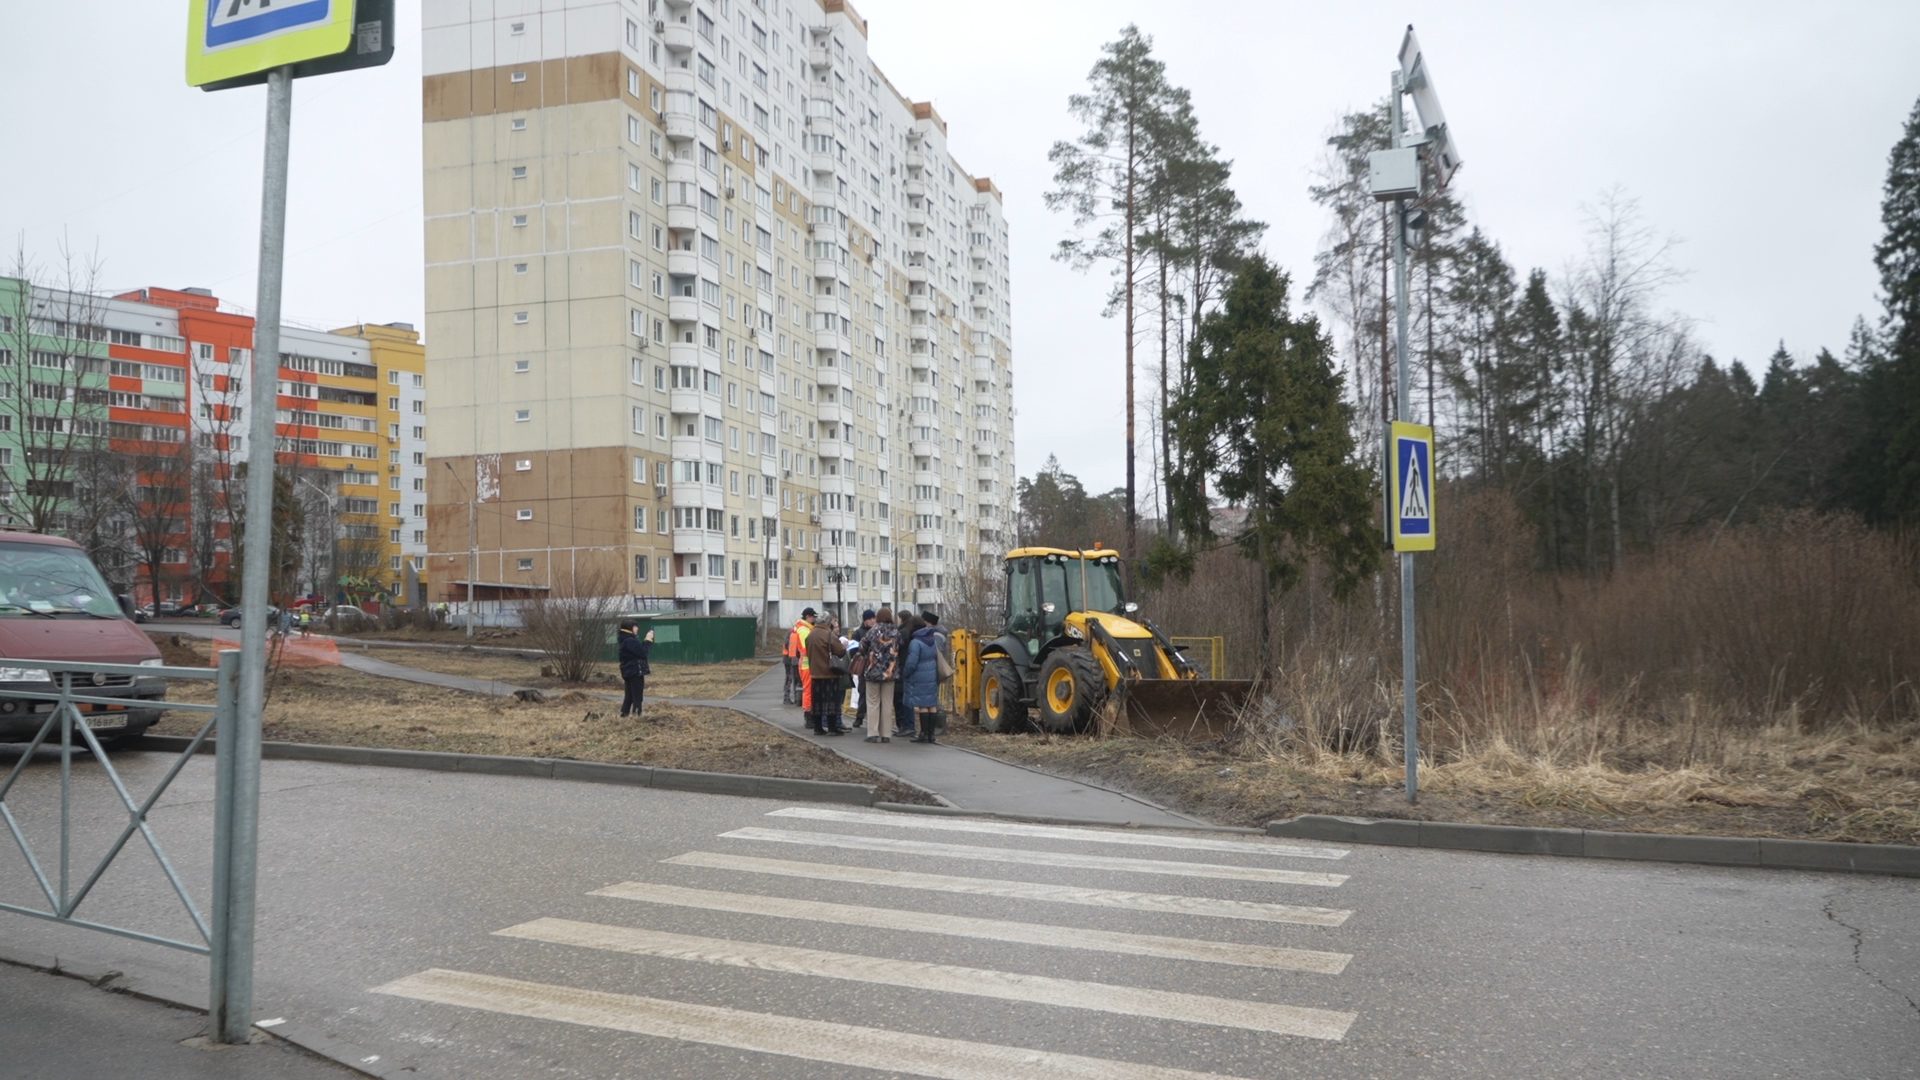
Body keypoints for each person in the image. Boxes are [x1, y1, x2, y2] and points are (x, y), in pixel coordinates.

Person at [858, 608, 902, 744]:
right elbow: (901, 645)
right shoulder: (895, 631)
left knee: (872, 702)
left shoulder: (873, 631)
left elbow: (862, 647)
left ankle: (872, 733)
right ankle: (886, 734)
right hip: (890, 672)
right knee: (887, 704)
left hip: (873, 671)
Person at [901, 613, 942, 744]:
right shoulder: (931, 639)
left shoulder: (915, 642)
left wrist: (905, 673)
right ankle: (931, 735)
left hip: (919, 675)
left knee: (923, 705)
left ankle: (923, 733)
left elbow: (912, 662)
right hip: (931, 673)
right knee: (931, 704)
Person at [804, 613, 848, 735]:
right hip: (829, 673)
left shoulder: (811, 634)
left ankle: (818, 728)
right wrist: (844, 646)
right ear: (828, 622)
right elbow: (840, 651)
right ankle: (832, 728)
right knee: (831, 701)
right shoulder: (829, 635)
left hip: (815, 674)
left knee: (817, 702)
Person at [915, 612, 951, 743]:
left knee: (932, 699)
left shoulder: (935, 635)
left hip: (931, 671)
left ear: (928, 622)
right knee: (932, 698)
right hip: (933, 670)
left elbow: (934, 652)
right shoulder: (939, 633)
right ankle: (931, 731)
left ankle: (937, 728)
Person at [892, 611, 922, 738]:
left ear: (901, 619)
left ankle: (906, 726)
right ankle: (908, 726)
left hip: (901, 669)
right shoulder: (914, 635)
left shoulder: (902, 634)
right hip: (909, 671)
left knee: (900, 700)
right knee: (906, 699)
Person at [617, 619, 654, 718]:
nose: (637, 628)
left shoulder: (625, 639)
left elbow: (637, 651)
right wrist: (648, 640)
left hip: (628, 671)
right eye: (635, 626)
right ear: (630, 628)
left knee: (629, 696)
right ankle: (637, 715)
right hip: (635, 671)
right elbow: (643, 653)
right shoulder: (630, 640)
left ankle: (624, 714)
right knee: (637, 696)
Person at [851, 609, 877, 727]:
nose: (872, 621)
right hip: (864, 667)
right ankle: (860, 717)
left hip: (875, 666)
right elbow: (853, 650)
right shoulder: (858, 633)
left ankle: (871, 718)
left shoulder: (877, 631)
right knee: (863, 692)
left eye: (873, 618)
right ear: (865, 620)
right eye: (870, 619)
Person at [784, 608, 814, 706]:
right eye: (813, 617)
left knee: (797, 682)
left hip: (793, 659)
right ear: (807, 617)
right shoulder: (803, 630)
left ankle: (797, 700)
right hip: (798, 661)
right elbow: (805, 648)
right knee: (799, 683)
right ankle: (798, 701)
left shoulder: (795, 631)